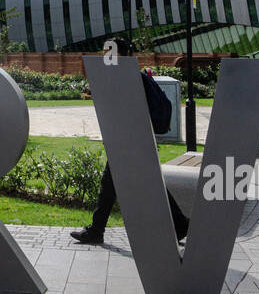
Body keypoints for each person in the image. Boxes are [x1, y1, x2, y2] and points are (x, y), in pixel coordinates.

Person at [71, 40, 190, 246]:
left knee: (119, 185)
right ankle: (180, 224)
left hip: (132, 140)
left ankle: (97, 231)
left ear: (121, 54)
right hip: (129, 139)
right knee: (116, 185)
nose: (107, 56)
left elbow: (128, 109)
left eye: (110, 52)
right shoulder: (127, 76)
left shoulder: (131, 77)